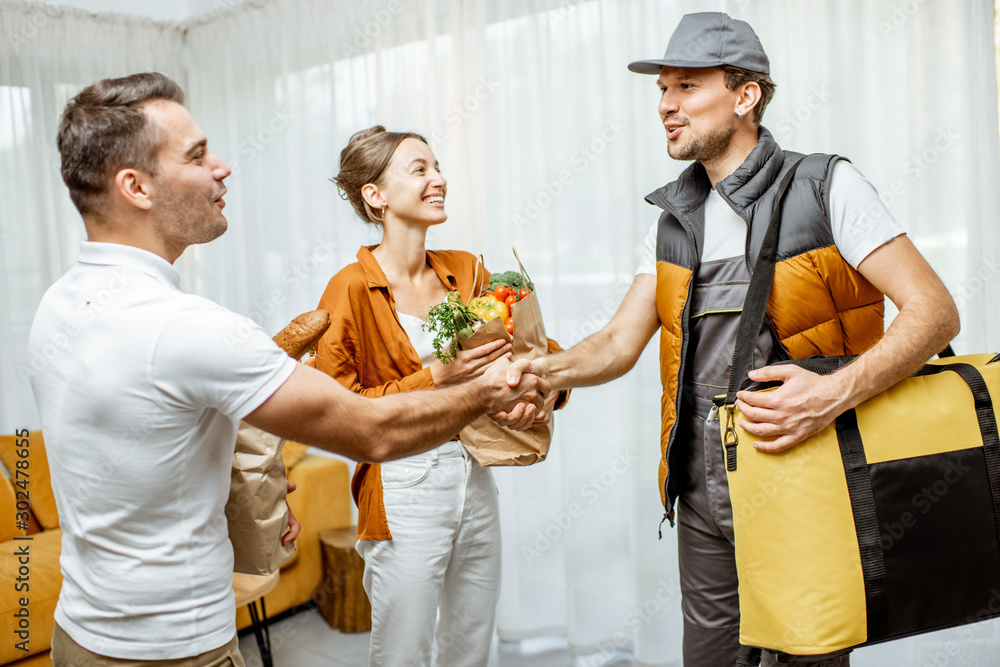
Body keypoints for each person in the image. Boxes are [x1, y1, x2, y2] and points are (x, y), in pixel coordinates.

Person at [29, 73, 547, 667]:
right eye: (198, 155)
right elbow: (371, 430)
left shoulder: (59, 304)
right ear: (136, 187)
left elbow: (151, 438)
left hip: (80, 637)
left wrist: (259, 488)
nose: (222, 167)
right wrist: (479, 385)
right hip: (175, 650)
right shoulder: (192, 328)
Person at [503, 12, 959, 667]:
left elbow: (935, 311)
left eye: (686, 87)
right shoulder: (672, 221)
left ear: (745, 96)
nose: (664, 105)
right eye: (662, 89)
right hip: (701, 495)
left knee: (807, 658)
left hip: (809, 482)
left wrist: (830, 394)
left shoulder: (826, 186)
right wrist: (536, 372)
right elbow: (615, 344)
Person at [315, 125, 567, 667]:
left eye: (437, 167)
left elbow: (534, 349)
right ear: (375, 196)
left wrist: (542, 391)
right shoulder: (349, 289)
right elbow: (337, 408)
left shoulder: (467, 270)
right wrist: (437, 378)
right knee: (404, 651)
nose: (439, 179)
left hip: (477, 476)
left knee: (471, 643)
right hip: (401, 488)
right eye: (420, 169)